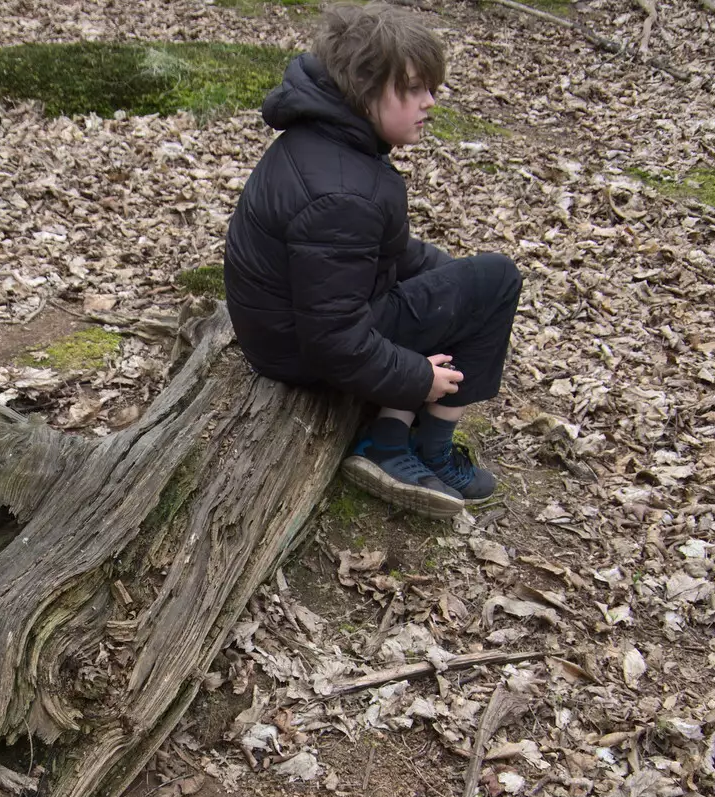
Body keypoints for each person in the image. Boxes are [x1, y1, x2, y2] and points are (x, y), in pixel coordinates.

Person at [224, 3, 522, 518]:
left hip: (288, 328)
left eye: (432, 88)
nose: (429, 102)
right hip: (298, 351)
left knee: (472, 283)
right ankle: (412, 450)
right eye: (413, 89)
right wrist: (416, 377)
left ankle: (391, 431)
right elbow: (334, 339)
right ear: (363, 89)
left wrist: (450, 280)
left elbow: (383, 255)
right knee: (499, 278)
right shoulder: (343, 193)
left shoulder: (331, 142)